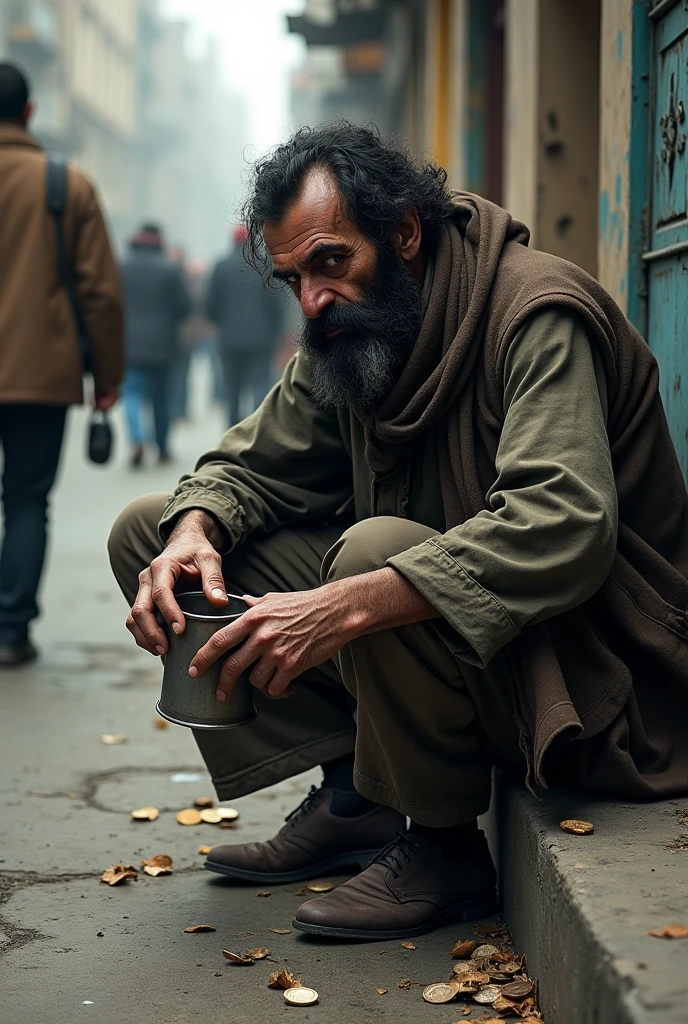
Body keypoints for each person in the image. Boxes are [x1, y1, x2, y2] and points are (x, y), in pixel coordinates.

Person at [109, 122, 688, 940]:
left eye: (331, 263)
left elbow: (563, 525)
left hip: (588, 665)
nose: (313, 299)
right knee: (151, 533)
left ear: (405, 232)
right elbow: (243, 466)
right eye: (294, 278)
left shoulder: (535, 313)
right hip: (469, 647)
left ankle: (444, 847)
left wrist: (345, 602)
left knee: (375, 553)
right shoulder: (351, 331)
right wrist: (191, 532)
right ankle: (358, 800)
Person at [0, 62, 122, 667]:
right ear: (29, 113)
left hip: (37, 375)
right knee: (25, 501)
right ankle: (11, 628)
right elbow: (98, 290)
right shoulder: (64, 185)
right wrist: (107, 377)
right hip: (38, 375)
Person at [120, 224, 190, 467]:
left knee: (131, 394)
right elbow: (184, 307)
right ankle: (162, 447)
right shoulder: (169, 269)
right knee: (161, 399)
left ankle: (137, 438)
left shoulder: (122, 267)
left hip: (129, 345)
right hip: (162, 347)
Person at [206, 225, 285, 426]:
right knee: (259, 387)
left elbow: (210, 306)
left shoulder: (221, 266)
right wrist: (276, 331)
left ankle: (233, 433)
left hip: (230, 341)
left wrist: (220, 323)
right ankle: (256, 431)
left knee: (233, 391)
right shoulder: (265, 265)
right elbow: (277, 304)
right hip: (261, 340)